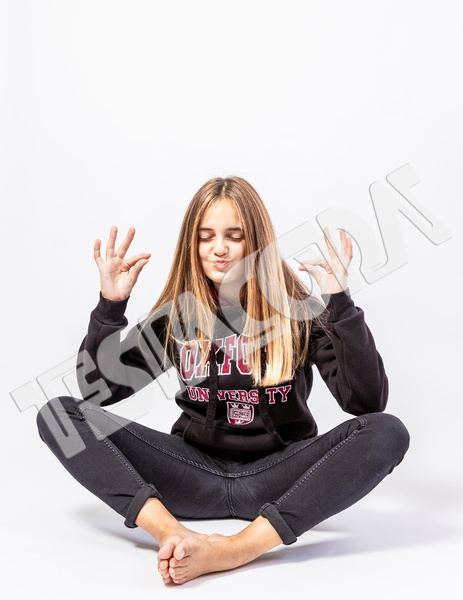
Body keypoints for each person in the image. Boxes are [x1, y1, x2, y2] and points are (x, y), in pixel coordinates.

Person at [36, 176, 410, 585]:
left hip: (280, 475)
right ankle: (170, 531)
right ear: (192, 246)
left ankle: (237, 548)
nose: (219, 249)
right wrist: (111, 305)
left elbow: (367, 404)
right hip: (192, 474)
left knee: (387, 431)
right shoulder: (179, 317)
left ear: (257, 242)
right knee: (58, 416)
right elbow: (97, 391)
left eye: (235, 236)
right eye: (206, 237)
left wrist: (339, 303)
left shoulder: (298, 313)